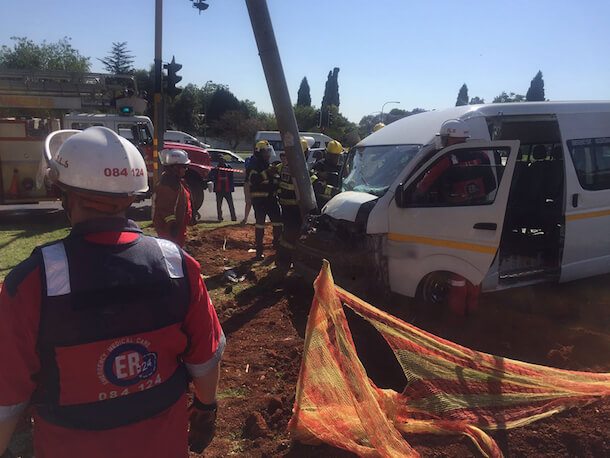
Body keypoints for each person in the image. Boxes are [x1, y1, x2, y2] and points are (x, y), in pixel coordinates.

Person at [0, 127, 224, 458]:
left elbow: (7, 398)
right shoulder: (179, 265)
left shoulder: (31, 282)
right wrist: (207, 407)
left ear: (66, 195)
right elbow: (206, 357)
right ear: (132, 197)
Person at [276, 137, 309, 269]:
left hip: (286, 207)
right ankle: (288, 262)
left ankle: (282, 261)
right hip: (294, 207)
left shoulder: (286, 166)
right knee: (294, 236)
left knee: (287, 235)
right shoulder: (298, 168)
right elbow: (306, 183)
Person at [247, 140, 283, 260]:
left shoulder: (269, 165)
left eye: (269, 151)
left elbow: (274, 182)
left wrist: (279, 177)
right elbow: (254, 179)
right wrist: (267, 173)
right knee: (260, 225)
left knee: (278, 223)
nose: (268, 154)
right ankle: (259, 251)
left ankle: (277, 246)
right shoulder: (254, 165)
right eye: (265, 152)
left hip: (271, 199)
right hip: (260, 201)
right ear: (259, 153)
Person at [152, 149, 193, 247]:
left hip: (177, 227)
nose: (186, 169)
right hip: (169, 230)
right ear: (175, 167)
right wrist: (172, 225)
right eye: (184, 166)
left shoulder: (175, 181)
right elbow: (165, 208)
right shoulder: (167, 185)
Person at [311, 140, 344, 210]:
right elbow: (313, 183)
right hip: (322, 203)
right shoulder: (319, 166)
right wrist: (333, 191)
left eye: (337, 156)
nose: (336, 159)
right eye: (333, 156)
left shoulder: (342, 168)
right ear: (327, 154)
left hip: (338, 203)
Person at [209, 155, 236, 222]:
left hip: (227, 189)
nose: (221, 162)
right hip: (219, 190)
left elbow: (231, 176)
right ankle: (220, 218)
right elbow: (210, 176)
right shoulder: (215, 169)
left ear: (224, 160)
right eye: (220, 160)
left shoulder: (228, 167)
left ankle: (233, 218)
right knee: (219, 205)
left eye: (222, 160)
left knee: (231, 204)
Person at [241, 153, 255, 225]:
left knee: (258, 202)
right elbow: (248, 166)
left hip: (257, 183)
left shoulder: (263, 159)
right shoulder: (249, 159)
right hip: (248, 182)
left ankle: (259, 218)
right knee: (248, 202)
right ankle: (245, 218)